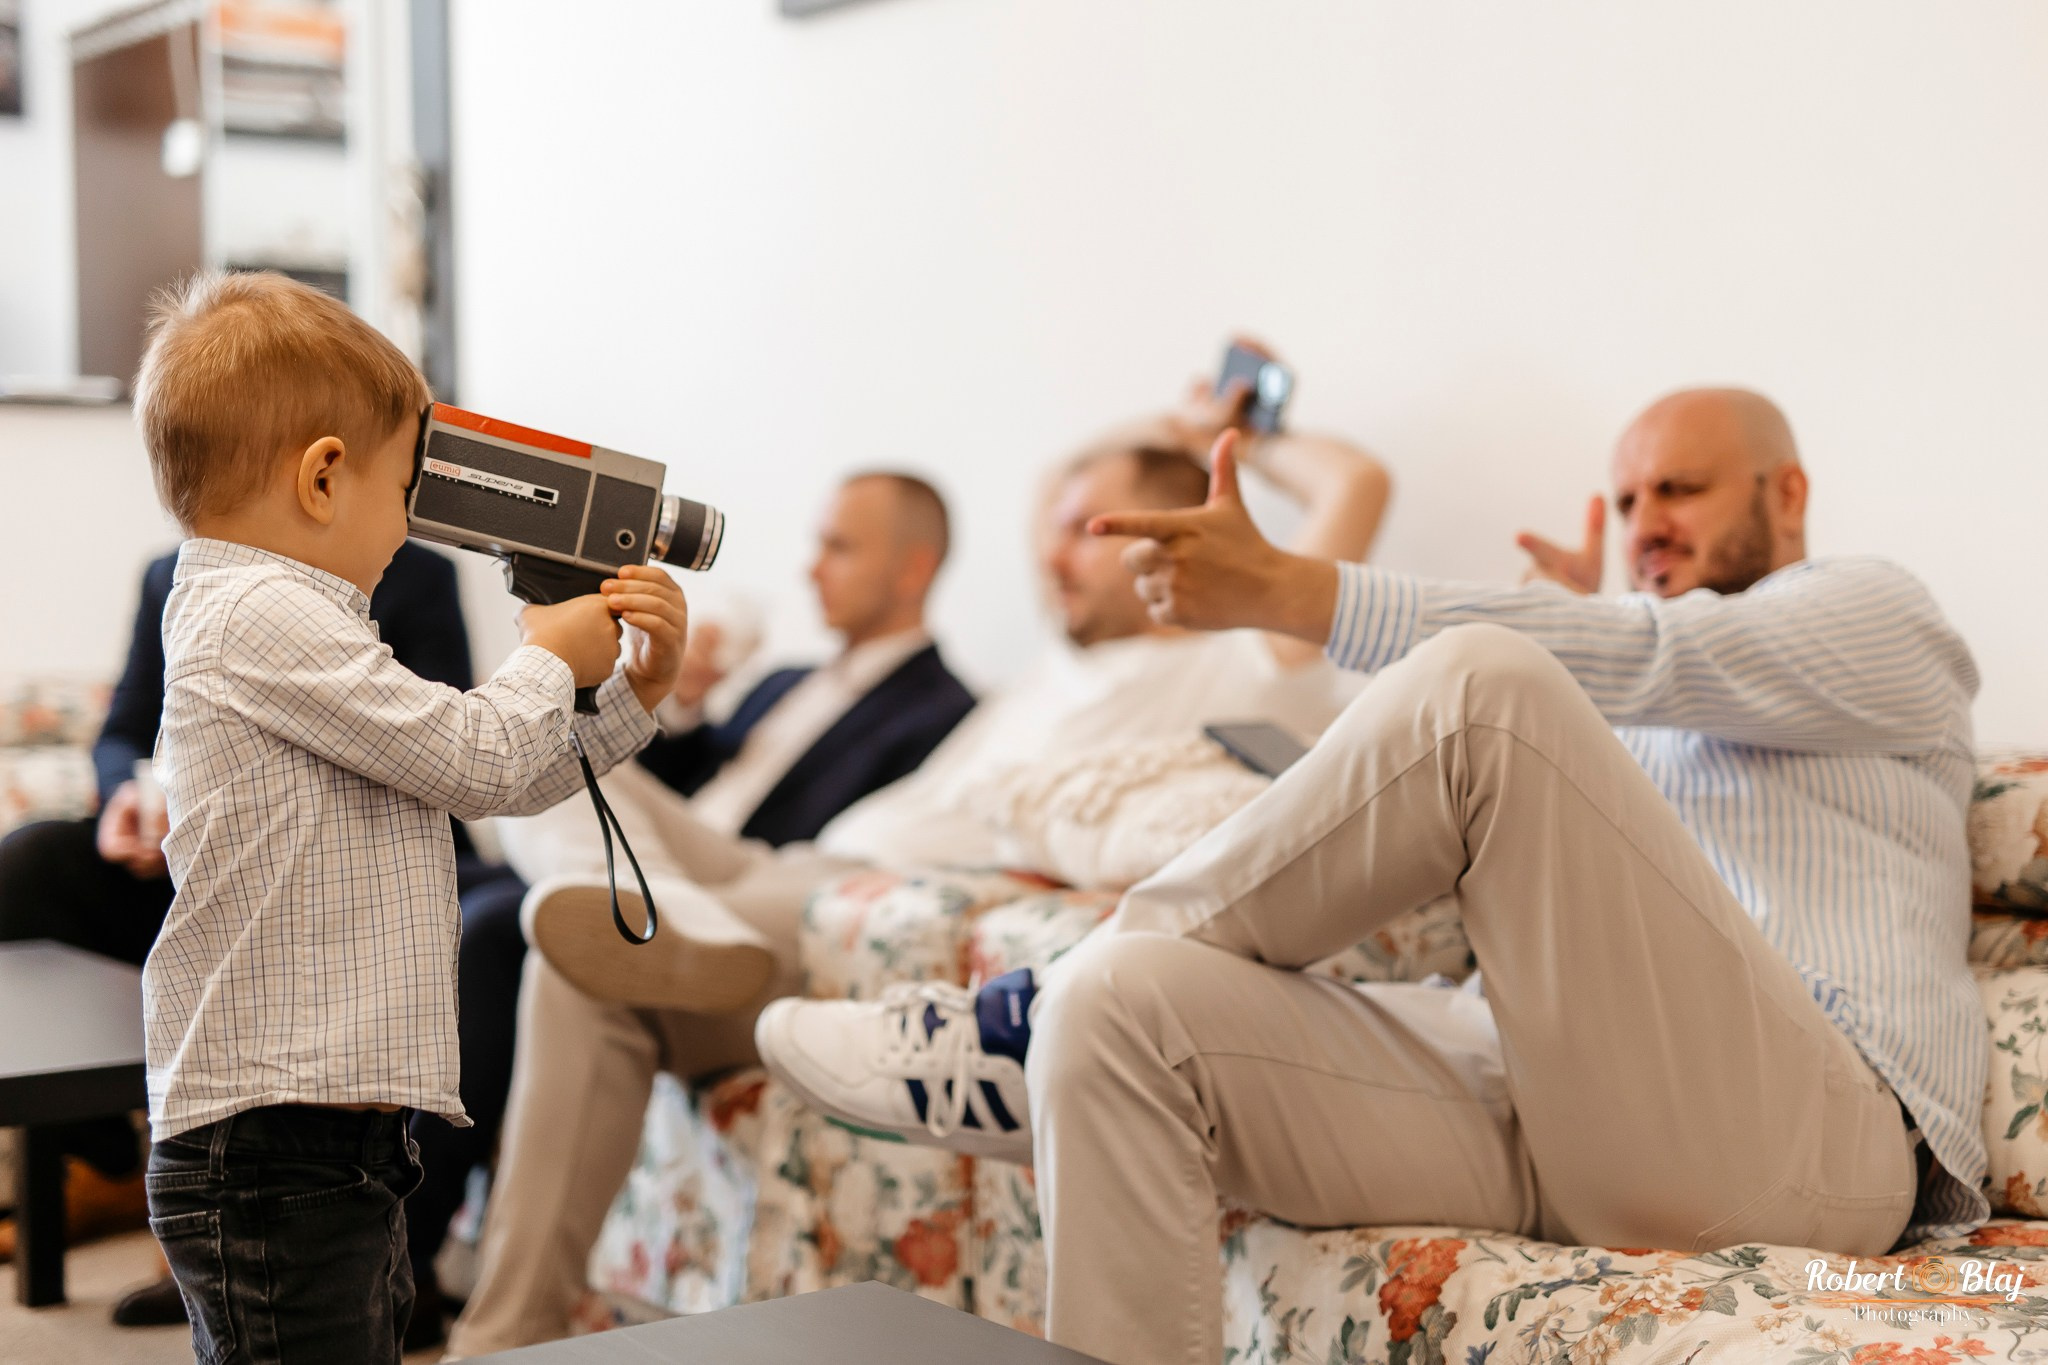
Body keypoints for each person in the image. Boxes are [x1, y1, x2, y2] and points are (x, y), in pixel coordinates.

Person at [755, 388, 1985, 1365]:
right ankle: (1054, 1010)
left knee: (1487, 687)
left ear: (1785, 492)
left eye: (1680, 487)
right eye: (1625, 493)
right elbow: (1640, 687)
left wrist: (1297, 591)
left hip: (1824, 1150)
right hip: (1589, 1117)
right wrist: (1597, 714)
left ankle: (1010, 1019)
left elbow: (1656, 652)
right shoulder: (1648, 710)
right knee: (1120, 1013)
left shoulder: (1875, 616)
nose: (1643, 516)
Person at [442, 346, 1393, 1356]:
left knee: (577, 972)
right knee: (533, 740)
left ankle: (495, 1342)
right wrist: (1140, 445)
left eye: (1083, 531)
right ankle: (670, 915)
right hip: (777, 870)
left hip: (852, 904)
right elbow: (1048, 496)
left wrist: (1222, 442)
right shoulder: (1059, 664)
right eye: (1058, 530)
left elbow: (1358, 485)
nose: (1052, 553)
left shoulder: (1251, 656)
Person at [131, 268, 687, 1365]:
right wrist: (544, 656)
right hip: (270, 1140)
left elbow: (490, 773)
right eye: (406, 491)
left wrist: (631, 697)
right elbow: (479, 756)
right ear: (325, 478)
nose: (412, 523)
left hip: (331, 1132)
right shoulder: (258, 616)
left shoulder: (297, 621)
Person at [398, 470, 976, 1348]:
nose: (811, 566)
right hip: (665, 868)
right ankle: (646, 904)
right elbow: (668, 779)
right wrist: (673, 695)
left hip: (748, 894)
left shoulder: (946, 711)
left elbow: (839, 852)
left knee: (542, 943)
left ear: (911, 568)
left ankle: (487, 1327)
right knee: (541, 756)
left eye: (839, 546)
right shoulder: (784, 680)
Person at [0, 539, 479, 1317]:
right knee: (27, 863)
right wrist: (131, 794)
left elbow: (435, 751)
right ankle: (111, 1153)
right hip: (190, 863)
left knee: (481, 926)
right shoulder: (174, 573)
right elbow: (125, 726)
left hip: (339, 864)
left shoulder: (419, 578)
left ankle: (382, 1263)